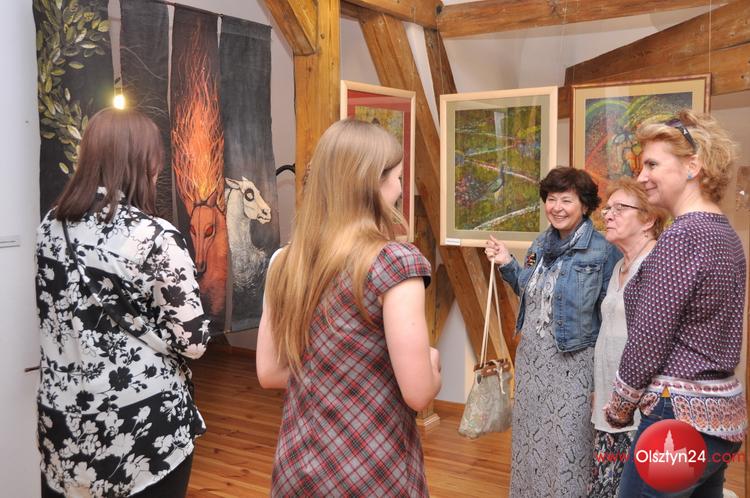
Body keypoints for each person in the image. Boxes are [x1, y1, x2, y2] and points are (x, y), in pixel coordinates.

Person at [256, 119, 441, 497]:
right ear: (373, 183)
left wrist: (331, 374)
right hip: (372, 470)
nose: (400, 189)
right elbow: (419, 393)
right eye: (398, 178)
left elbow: (270, 372)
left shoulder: (285, 261)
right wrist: (433, 365)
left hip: (297, 468)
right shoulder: (394, 262)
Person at [35, 108, 210, 497]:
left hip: (63, 423)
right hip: (141, 422)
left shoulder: (50, 226)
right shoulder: (156, 237)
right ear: (143, 164)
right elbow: (193, 342)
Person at [605, 110, 747, 497]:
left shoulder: (683, 235)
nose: (641, 177)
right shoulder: (725, 234)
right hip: (722, 420)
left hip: (679, 418)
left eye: (652, 164)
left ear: (692, 167)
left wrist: (619, 405)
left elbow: (649, 338)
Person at [485, 166, 620, 497]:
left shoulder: (603, 251)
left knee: (569, 446)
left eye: (566, 200)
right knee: (531, 442)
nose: (557, 207)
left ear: (585, 206)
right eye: (551, 199)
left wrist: (604, 382)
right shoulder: (540, 244)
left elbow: (611, 319)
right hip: (532, 362)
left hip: (574, 366)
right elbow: (530, 292)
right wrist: (507, 263)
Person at [588, 177, 668, 497]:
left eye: (619, 208)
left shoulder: (656, 265)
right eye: (607, 209)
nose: (608, 215)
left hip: (640, 410)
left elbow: (656, 344)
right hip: (610, 402)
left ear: (648, 219)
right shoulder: (620, 265)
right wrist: (599, 389)